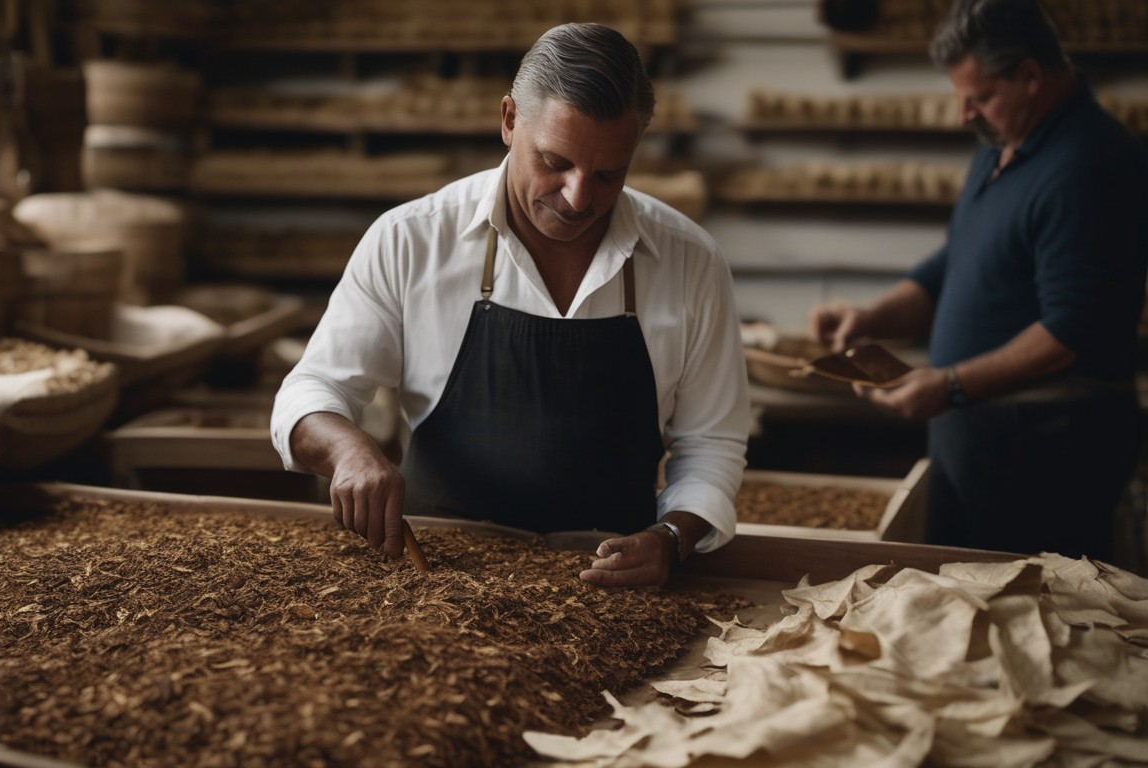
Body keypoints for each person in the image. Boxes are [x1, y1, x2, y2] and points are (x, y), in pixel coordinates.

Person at [271, 23, 749, 588]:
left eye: (607, 175)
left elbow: (711, 442)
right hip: (436, 578)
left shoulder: (689, 260)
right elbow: (310, 391)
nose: (578, 198)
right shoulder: (412, 240)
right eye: (555, 162)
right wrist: (349, 450)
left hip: (612, 582)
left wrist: (672, 538)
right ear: (508, 120)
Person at [808, 0, 1148, 562]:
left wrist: (952, 385)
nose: (965, 113)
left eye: (981, 97)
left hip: (1046, 450)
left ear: (1030, 77)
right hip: (986, 437)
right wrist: (872, 319)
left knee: (1025, 621)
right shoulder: (1003, 147)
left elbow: (1074, 328)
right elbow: (956, 265)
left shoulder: (1090, 163)